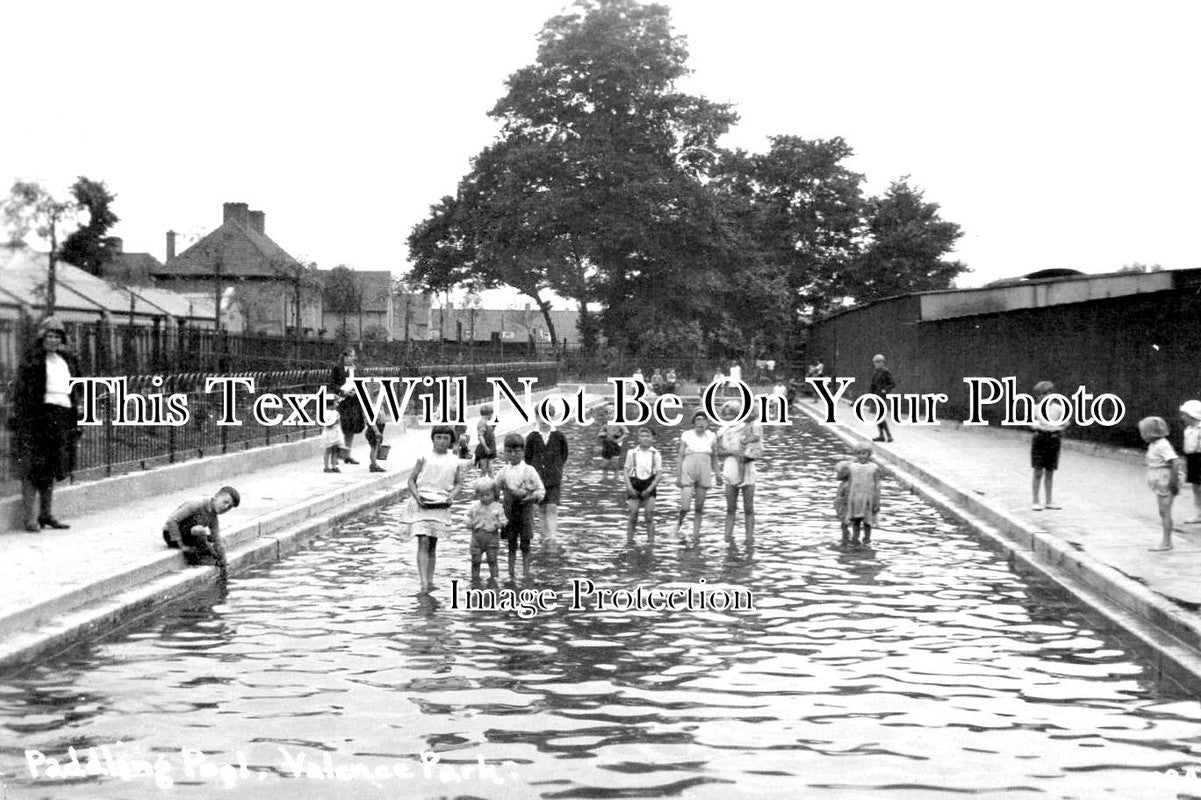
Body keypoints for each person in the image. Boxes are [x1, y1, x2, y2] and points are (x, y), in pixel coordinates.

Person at [9, 316, 83, 532]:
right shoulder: (32, 360)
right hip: (37, 418)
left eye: (57, 336)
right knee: (33, 467)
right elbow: (22, 392)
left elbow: (76, 387)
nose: (53, 340)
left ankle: (46, 514)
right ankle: (30, 518)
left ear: (62, 339)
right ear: (42, 337)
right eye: (49, 336)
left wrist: (77, 411)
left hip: (61, 416)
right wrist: (24, 419)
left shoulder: (66, 360)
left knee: (52, 466)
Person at [402, 425, 464, 592]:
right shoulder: (424, 457)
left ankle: (430, 580)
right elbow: (411, 480)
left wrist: (452, 496)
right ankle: (423, 582)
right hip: (422, 501)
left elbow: (459, 483)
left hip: (440, 502)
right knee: (423, 540)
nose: (442, 441)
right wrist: (417, 496)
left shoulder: (454, 460)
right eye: (438, 437)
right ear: (433, 439)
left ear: (451, 441)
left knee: (432, 543)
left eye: (446, 438)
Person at [496, 433, 545, 577]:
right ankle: (511, 573)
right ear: (504, 452)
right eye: (509, 451)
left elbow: (541, 490)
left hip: (525, 511)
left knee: (525, 543)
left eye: (516, 451)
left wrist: (530, 496)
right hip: (509, 511)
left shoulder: (529, 470)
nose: (513, 455)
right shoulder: (503, 471)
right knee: (511, 543)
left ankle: (526, 573)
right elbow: (493, 487)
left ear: (523, 451)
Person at [162, 486, 241, 575]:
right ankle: (196, 559)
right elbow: (171, 521)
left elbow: (217, 539)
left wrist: (223, 560)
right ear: (216, 497)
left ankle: (211, 558)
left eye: (229, 507)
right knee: (199, 531)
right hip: (171, 534)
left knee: (216, 541)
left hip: (188, 535)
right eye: (225, 502)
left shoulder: (213, 517)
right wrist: (182, 546)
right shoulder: (196, 504)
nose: (225, 507)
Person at [671, 410, 719, 541]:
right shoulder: (686, 435)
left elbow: (714, 457)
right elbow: (680, 456)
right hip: (688, 470)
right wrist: (678, 476)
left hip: (704, 470)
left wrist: (718, 474)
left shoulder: (711, 436)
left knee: (699, 506)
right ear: (694, 422)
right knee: (685, 506)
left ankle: (696, 535)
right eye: (698, 419)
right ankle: (678, 525)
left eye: (704, 420)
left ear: (708, 423)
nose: (701, 422)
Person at [719, 402, 762, 539]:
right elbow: (718, 453)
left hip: (747, 470)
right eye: (725, 414)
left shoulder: (747, 427)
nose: (728, 417)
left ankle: (749, 539)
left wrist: (748, 453)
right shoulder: (722, 431)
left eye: (731, 413)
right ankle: (727, 538)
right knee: (730, 508)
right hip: (730, 470)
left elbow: (757, 447)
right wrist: (732, 452)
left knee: (748, 508)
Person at [525, 411, 568, 546]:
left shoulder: (559, 436)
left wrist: (557, 468)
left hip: (554, 478)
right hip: (538, 479)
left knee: (552, 506)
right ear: (536, 417)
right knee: (542, 507)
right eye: (541, 417)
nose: (544, 420)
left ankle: (553, 537)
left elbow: (564, 455)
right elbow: (528, 457)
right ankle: (544, 536)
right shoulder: (532, 437)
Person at [1140, 416, 1181, 552]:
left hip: (1165, 479)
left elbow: (1175, 462)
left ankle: (1167, 542)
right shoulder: (1154, 444)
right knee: (1163, 511)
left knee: (1165, 512)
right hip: (1159, 480)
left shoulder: (1162, 445)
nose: (1142, 435)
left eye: (1144, 432)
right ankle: (1166, 540)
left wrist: (1173, 482)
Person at [1030, 381, 1068, 510]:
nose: (1044, 396)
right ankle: (1035, 500)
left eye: (1047, 393)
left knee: (1050, 472)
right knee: (1038, 471)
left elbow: (1065, 422)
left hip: (1053, 439)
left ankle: (1049, 501)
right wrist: (1040, 426)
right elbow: (1031, 422)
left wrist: (1059, 426)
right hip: (1040, 438)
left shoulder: (1059, 409)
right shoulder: (1035, 408)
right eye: (1041, 394)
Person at [624, 428, 663, 541]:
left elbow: (659, 473)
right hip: (634, 483)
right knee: (633, 514)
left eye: (648, 436)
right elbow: (626, 471)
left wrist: (650, 488)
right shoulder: (632, 453)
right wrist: (629, 487)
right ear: (638, 439)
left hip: (649, 483)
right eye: (642, 436)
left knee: (649, 515)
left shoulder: (656, 454)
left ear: (652, 438)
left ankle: (651, 542)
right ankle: (629, 541)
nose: (645, 438)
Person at [467, 477, 507, 583]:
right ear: (477, 495)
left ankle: (494, 580)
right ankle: (475, 581)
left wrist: (499, 524)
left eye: (487, 495)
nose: (485, 498)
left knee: (492, 560)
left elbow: (504, 521)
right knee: (475, 561)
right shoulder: (474, 506)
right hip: (476, 537)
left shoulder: (497, 507)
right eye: (481, 495)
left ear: (494, 494)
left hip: (492, 537)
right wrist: (469, 523)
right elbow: (467, 517)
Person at [328, 347, 365, 465]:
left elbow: (361, 382)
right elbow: (332, 385)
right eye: (349, 356)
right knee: (340, 428)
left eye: (352, 356)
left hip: (353, 401)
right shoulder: (337, 368)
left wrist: (357, 391)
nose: (351, 358)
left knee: (351, 428)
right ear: (344, 357)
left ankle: (347, 454)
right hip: (342, 402)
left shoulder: (356, 369)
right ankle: (335, 455)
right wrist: (342, 391)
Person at [843, 442, 881, 547]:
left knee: (868, 521)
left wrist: (877, 501)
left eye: (864, 453)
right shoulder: (852, 467)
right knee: (856, 520)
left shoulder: (874, 467)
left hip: (868, 497)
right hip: (855, 497)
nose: (861, 456)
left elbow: (877, 484)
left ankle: (867, 540)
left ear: (869, 454)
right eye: (858, 453)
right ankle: (855, 539)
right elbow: (849, 483)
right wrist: (846, 499)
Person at [363, 379, 390, 473]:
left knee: (375, 447)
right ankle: (373, 464)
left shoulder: (380, 407)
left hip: (379, 429)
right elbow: (371, 421)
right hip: (374, 430)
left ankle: (374, 463)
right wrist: (377, 431)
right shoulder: (374, 407)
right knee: (374, 448)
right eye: (382, 398)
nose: (384, 400)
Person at [869, 354, 895, 442]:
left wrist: (885, 390)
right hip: (875, 396)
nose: (876, 364)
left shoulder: (886, 372)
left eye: (877, 362)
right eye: (875, 362)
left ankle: (888, 435)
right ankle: (882, 435)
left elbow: (892, 384)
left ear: (882, 363)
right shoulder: (876, 372)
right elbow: (872, 385)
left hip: (881, 396)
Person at [596, 407, 626, 479]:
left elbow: (626, 433)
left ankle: (616, 478)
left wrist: (619, 440)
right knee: (604, 465)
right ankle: (604, 478)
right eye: (607, 414)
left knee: (614, 464)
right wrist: (602, 434)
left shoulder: (619, 424)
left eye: (610, 413)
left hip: (615, 446)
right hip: (606, 446)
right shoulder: (605, 425)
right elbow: (599, 434)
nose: (608, 416)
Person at [321, 393, 344, 473]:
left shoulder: (336, 412)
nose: (337, 404)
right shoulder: (325, 413)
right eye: (336, 402)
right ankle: (326, 467)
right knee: (328, 450)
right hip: (329, 433)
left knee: (335, 450)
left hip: (335, 433)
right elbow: (328, 424)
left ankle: (334, 466)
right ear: (330, 403)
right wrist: (334, 422)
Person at [474, 404, 498, 475]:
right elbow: (480, 436)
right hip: (484, 449)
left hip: (489, 448)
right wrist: (485, 447)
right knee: (484, 469)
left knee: (489, 469)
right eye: (491, 414)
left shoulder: (486, 423)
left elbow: (486, 434)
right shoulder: (482, 423)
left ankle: (492, 481)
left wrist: (493, 428)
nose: (492, 416)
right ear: (489, 414)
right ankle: (484, 480)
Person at [834, 460, 852, 545]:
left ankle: (846, 540)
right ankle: (846, 539)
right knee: (843, 525)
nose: (836, 475)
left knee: (844, 525)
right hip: (842, 509)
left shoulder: (847, 485)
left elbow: (848, 499)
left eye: (838, 473)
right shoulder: (844, 483)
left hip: (845, 510)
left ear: (844, 474)